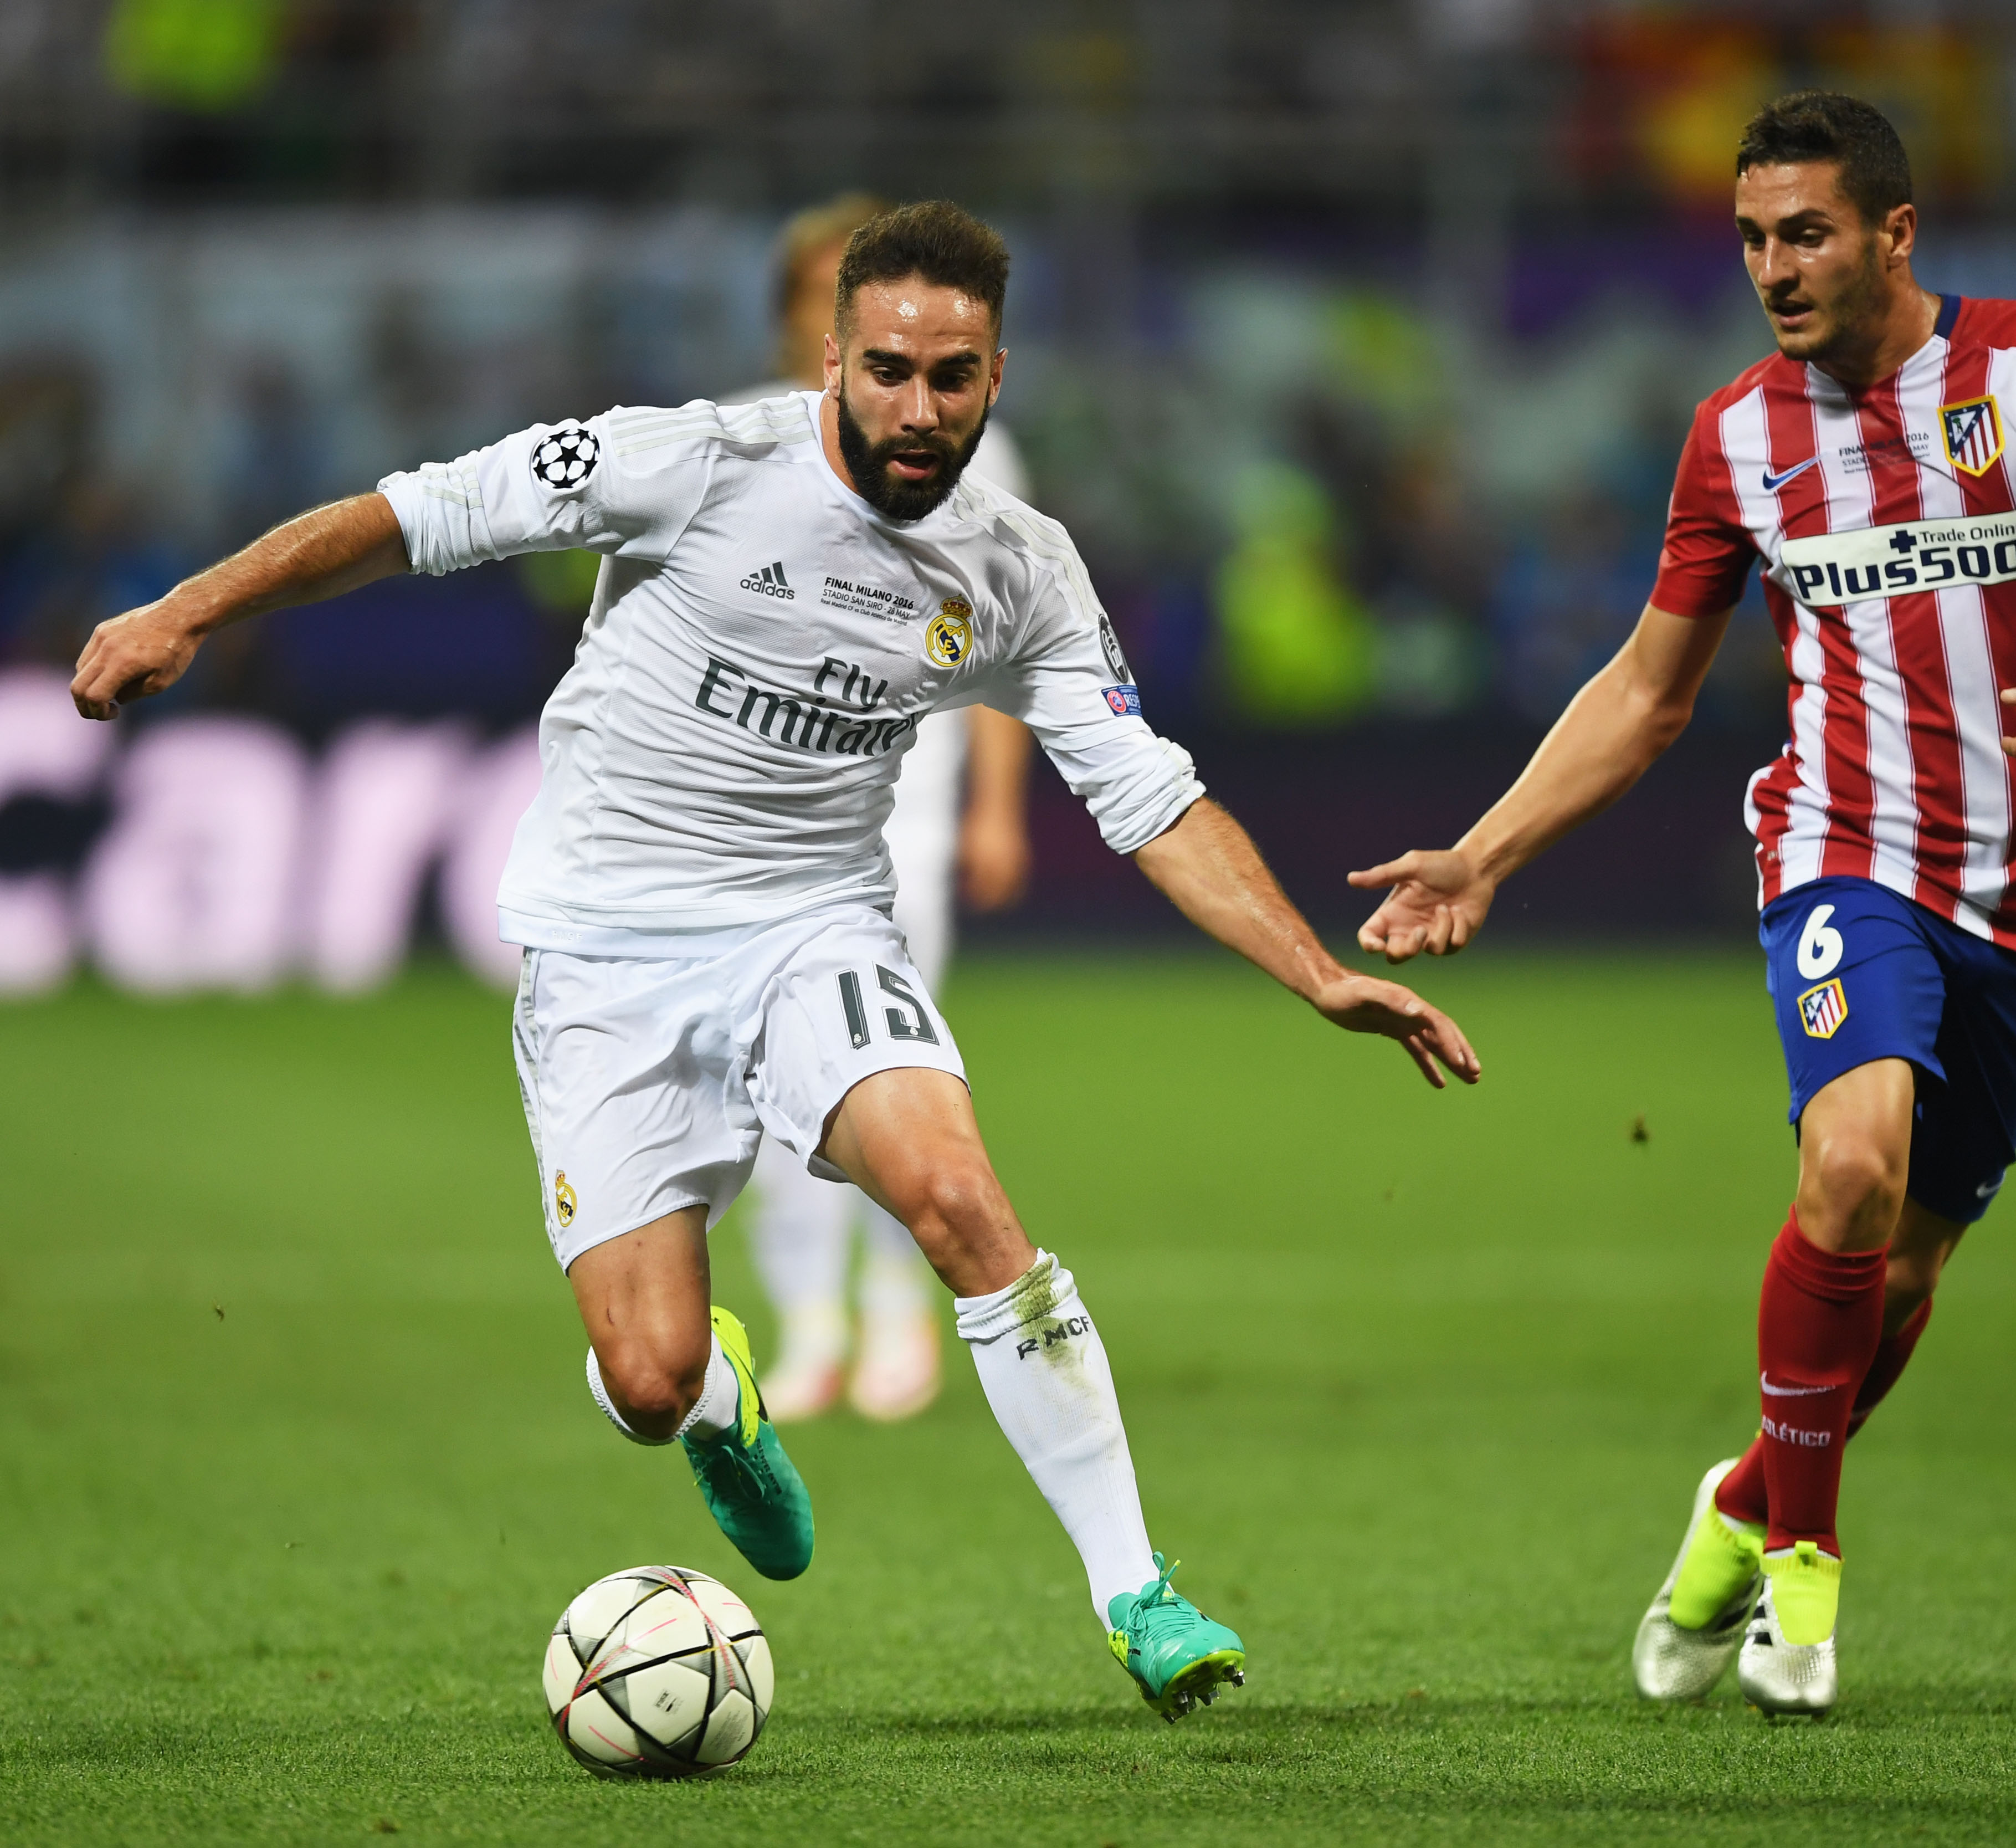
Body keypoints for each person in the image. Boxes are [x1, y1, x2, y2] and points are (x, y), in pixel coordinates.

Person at [71, 199, 1481, 1721]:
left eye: (951, 378)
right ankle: (718, 1398)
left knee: (957, 1198)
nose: (916, 408)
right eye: (887, 369)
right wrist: (185, 610)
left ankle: (1137, 1590)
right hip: (604, 948)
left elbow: (1150, 796)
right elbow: (409, 517)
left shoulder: (1019, 567)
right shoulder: (690, 465)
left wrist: (1313, 972)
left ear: (997, 375)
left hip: (812, 928)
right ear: (832, 357)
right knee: (646, 1377)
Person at [1350, 94, 2016, 1718]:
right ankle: (1804, 1589)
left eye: (1807, 235)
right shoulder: (1734, 437)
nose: (1772, 267)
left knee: (1898, 1277)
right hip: (1845, 850)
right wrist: (1483, 854)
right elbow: (1647, 692)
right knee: (1845, 1163)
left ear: (1895, 234)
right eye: (1753, 237)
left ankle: (1740, 1508)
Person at [724, 193, 1037, 1424]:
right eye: (814, 303)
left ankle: (904, 1316)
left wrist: (996, 811)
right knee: (766, 1091)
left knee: (898, 1076)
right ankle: (808, 1325)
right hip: (767, 822)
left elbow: (1019, 650)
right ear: (813, 330)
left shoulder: (972, 450)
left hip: (908, 804)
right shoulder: (746, 441)